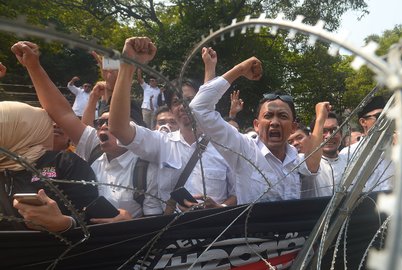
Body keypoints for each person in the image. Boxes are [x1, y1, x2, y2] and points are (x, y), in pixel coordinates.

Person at [11, 40, 161, 221]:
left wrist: (128, 222)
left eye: (113, 122)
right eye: (100, 122)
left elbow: (156, 223)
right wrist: (33, 66)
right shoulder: (94, 147)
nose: (104, 126)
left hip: (128, 243)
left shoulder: (149, 165)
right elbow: (62, 114)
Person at [108, 38, 236, 210]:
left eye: (190, 100)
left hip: (218, 231)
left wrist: (220, 207)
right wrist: (127, 64)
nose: (184, 106)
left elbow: (237, 193)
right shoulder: (162, 143)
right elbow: (118, 128)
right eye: (177, 102)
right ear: (171, 109)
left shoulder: (225, 146)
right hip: (172, 233)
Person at [190, 47, 328, 204]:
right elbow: (200, 107)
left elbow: (312, 165)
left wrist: (320, 119)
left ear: (293, 127)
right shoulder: (243, 149)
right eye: (268, 116)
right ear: (256, 125)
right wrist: (239, 70)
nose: (274, 122)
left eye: (283, 116)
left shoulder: (295, 160)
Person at [0, 101, 98, 232]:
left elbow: (94, 214)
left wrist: (66, 224)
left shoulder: (64, 161)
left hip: (59, 249)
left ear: (16, 132)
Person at [340, 96, 394, 192]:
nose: (385, 121)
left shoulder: (396, 148)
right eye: (379, 117)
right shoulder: (349, 154)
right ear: (363, 122)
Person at [302, 112, 348, 198]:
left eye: (334, 130)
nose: (329, 136)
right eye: (323, 131)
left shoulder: (349, 163)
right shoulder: (304, 163)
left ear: (341, 134)